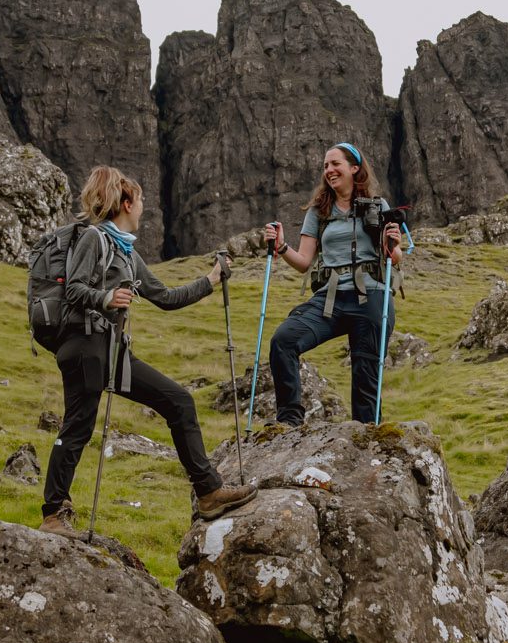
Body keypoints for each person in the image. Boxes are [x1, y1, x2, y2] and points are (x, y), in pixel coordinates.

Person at [42, 166, 254, 536]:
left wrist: (211, 280)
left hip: (111, 351)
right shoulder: (94, 238)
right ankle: (53, 514)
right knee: (78, 426)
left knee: (178, 401)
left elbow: (166, 299)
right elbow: (74, 289)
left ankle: (208, 492)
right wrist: (105, 297)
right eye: (140, 201)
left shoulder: (127, 254)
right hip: (85, 347)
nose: (143, 209)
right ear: (126, 203)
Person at [263, 142, 406, 425]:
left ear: (354, 168)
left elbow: (394, 257)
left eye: (335, 164)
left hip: (372, 297)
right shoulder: (319, 211)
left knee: (365, 377)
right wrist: (280, 247)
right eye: (326, 166)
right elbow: (304, 260)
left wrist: (395, 244)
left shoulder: (378, 206)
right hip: (330, 299)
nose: (329, 170)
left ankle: (366, 438)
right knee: (283, 341)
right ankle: (290, 420)